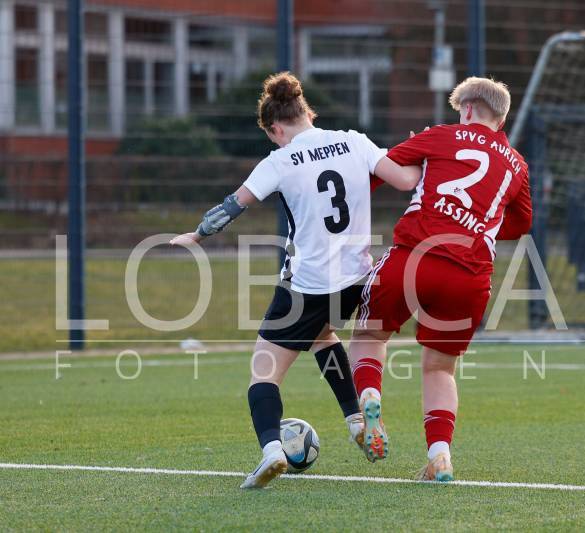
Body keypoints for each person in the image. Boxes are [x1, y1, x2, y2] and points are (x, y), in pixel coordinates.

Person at [170, 72, 421, 488]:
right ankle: (356, 420)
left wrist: (196, 234)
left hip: (307, 285)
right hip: (356, 280)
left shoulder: (281, 160)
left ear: (276, 128)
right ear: (308, 113)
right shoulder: (354, 141)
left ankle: (272, 450)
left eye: (272, 137)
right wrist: (419, 152)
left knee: (263, 375)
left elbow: (233, 206)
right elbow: (406, 180)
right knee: (323, 336)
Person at [349, 77, 532, 481]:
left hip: (415, 257)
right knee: (439, 369)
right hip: (469, 275)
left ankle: (370, 397)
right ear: (501, 120)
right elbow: (522, 223)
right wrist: (480, 226)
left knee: (369, 335)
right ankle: (440, 456)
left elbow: (381, 168)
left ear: (466, 109)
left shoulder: (439, 135)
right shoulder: (517, 165)